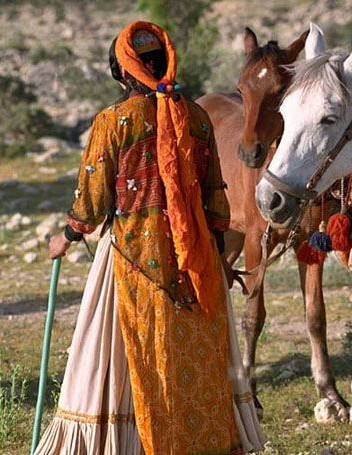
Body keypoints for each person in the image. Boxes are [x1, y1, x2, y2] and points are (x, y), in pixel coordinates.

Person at [36, 20, 264, 455]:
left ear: (123, 71)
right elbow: (217, 197)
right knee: (192, 356)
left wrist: (67, 235)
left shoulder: (113, 121)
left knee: (122, 361)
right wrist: (216, 258)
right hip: (194, 261)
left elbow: (93, 199)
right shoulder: (195, 117)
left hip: (131, 260)